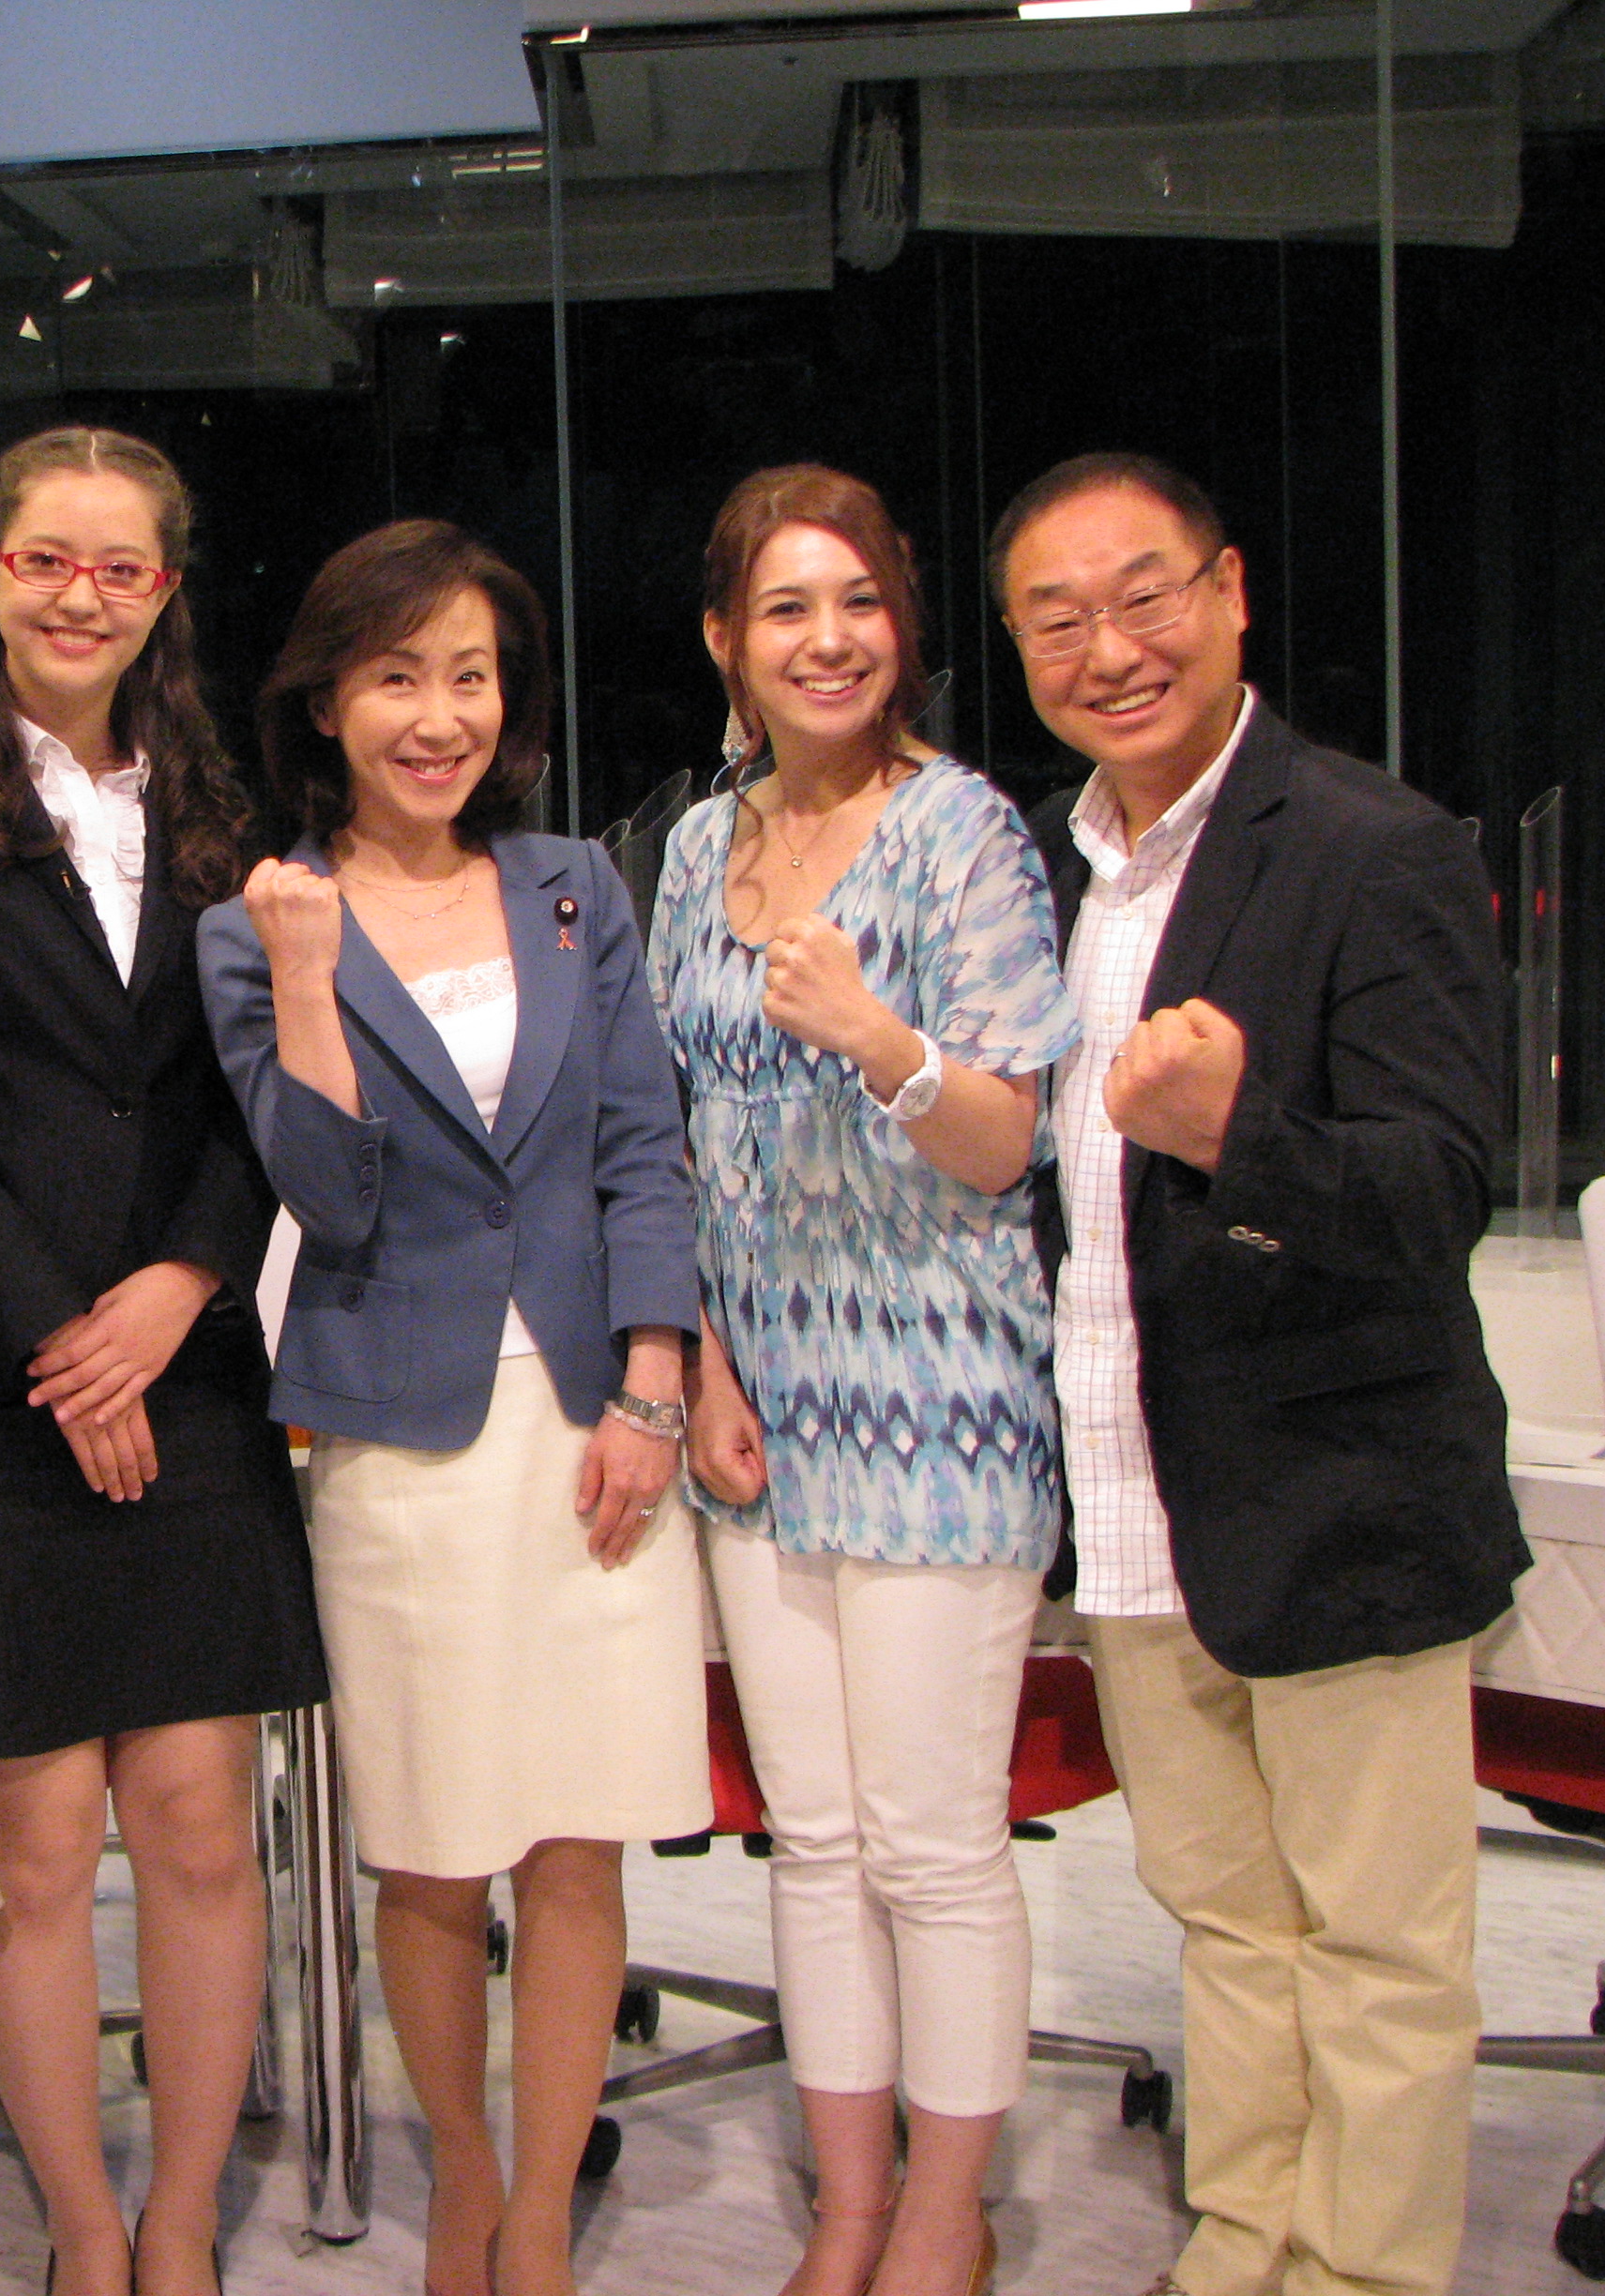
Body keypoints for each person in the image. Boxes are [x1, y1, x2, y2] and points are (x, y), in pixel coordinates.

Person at [992, 451, 1528, 2296]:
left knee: (1379, 1953)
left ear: (1229, 595)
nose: (1109, 649)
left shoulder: (1375, 847)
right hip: (1137, 1500)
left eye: (1144, 596)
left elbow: (1441, 1190)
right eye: (1058, 620)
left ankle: (1362, 2276)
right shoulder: (1046, 871)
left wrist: (1241, 1135)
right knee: (1226, 1926)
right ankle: (1242, 2246)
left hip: (1340, 1501)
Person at [0, 427, 327, 2296]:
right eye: (47, 558)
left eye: (119, 566)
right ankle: (88, 2231)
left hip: (187, 1365)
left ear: (164, 591)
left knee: (198, 1825)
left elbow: (256, 1092)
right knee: (31, 1842)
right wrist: (63, 1340)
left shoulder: (227, 815)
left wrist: (183, 1284)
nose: (79, 595)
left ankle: (182, 2221)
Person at [201, 519, 707, 2296]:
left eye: (471, 676)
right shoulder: (257, 923)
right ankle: (468, 2180)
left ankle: (545, 2208)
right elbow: (327, 1201)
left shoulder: (576, 885)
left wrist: (654, 1380)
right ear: (325, 703)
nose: (438, 716)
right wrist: (309, 974)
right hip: (397, 1444)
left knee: (576, 1841)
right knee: (429, 1854)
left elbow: (642, 1146)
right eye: (397, 676)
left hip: (590, 1428)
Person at [645, 466, 1081, 2296]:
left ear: (901, 624)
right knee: (811, 1843)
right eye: (786, 608)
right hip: (758, 1410)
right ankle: (846, 2205)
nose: (829, 640)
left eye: (860, 601)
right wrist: (705, 1365)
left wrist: (880, 1041)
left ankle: (946, 2214)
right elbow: (673, 1132)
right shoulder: (697, 849)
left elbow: (1004, 1144)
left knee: (931, 1848)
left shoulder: (965, 833)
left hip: (938, 1401)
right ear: (726, 643)